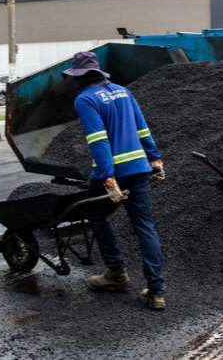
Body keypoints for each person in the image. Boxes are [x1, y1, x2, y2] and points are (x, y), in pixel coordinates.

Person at [63, 51, 167, 311]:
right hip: (139, 168)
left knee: (94, 214)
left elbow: (98, 140)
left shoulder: (85, 99)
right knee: (144, 225)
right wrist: (155, 158)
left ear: (81, 77)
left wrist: (108, 177)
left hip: (112, 172)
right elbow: (142, 127)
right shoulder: (123, 91)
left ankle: (116, 273)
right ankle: (156, 292)